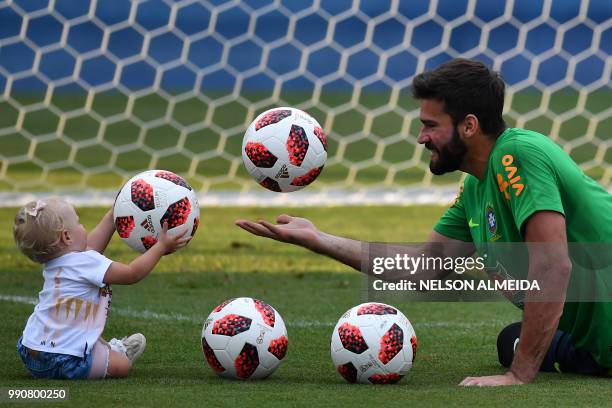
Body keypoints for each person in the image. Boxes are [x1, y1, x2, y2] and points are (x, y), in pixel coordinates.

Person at [236, 58, 612, 386]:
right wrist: (318, 239)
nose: (421, 138)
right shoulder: (475, 190)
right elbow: (423, 268)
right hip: (598, 343)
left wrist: (520, 374)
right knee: (510, 342)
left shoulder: (517, 155)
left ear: (468, 126)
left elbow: (553, 265)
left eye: (430, 125)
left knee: (521, 353)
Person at [14, 198, 190, 379]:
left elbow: (89, 248)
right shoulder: (85, 263)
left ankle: (100, 350)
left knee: (78, 332)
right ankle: (116, 350)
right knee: (122, 366)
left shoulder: (54, 263)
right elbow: (132, 273)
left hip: (32, 353)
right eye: (79, 223)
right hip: (66, 360)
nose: (83, 227)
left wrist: (112, 215)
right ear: (67, 237)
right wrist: (160, 247)